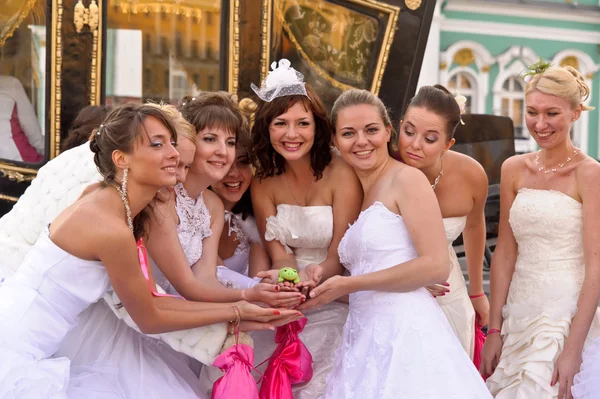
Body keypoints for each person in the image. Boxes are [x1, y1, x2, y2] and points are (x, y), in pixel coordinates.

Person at [0, 102, 296, 397]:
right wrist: (235, 310)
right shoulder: (110, 227)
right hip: (17, 347)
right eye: (157, 144)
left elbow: (153, 297)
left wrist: (240, 305)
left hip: (39, 338)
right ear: (121, 158)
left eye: (171, 143)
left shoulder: (114, 203)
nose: (173, 153)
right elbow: (150, 316)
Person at [300, 88, 492, 398]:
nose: (361, 141)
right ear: (335, 140)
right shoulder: (361, 189)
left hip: (406, 337)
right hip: (364, 336)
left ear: (388, 130)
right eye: (349, 133)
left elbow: (435, 265)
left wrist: (350, 284)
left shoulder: (407, 179)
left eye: (371, 130)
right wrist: (315, 281)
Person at [481, 62, 600, 399]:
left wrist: (573, 348)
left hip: (565, 315)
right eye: (532, 112)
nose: (540, 123)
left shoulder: (590, 174)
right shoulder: (513, 169)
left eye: (552, 113)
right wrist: (494, 329)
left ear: (575, 113)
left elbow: (596, 267)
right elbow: (504, 253)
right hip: (518, 313)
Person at [249, 59, 363, 399]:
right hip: (289, 293)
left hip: (335, 291)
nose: (292, 134)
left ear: (317, 127)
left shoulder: (341, 172)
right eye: (280, 123)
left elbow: (340, 253)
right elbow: (278, 253)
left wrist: (314, 278)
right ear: (267, 129)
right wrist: (290, 281)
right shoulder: (262, 183)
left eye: (303, 123)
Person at [145, 92, 302, 310]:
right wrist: (249, 294)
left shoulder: (211, 204)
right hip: (153, 313)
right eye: (210, 139)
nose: (223, 152)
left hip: (188, 316)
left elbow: (206, 279)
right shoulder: (161, 197)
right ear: (187, 141)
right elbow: (186, 286)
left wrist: (259, 295)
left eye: (230, 142)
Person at [396, 84, 490, 360]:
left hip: (448, 290)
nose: (414, 145)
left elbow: (474, 227)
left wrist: (476, 292)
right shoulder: (381, 167)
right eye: (409, 131)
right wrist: (407, 279)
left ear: (448, 144)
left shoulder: (471, 174)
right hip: (392, 291)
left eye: (430, 138)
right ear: (399, 126)